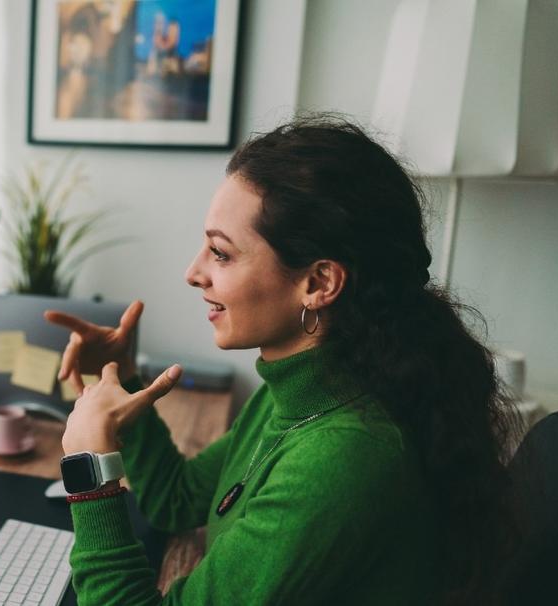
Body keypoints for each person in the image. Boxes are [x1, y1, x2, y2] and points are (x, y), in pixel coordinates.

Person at [46, 116, 519, 604]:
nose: (193, 272)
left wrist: (88, 467)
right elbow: (178, 499)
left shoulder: (342, 460)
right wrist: (123, 375)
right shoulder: (303, 394)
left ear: (317, 283)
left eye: (221, 254)